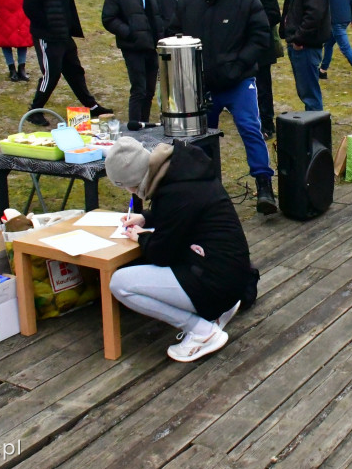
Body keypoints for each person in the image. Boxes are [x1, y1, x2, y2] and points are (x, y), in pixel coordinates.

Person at [105, 137, 254, 362]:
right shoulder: (183, 173)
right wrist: (146, 218)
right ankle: (219, 309)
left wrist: (141, 238)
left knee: (120, 283)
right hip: (230, 271)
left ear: (133, 182)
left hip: (216, 280)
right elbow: (183, 215)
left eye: (127, 187)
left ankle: (202, 332)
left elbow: (161, 254)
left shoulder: (175, 194)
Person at [168, 0, 277, 213]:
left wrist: (239, 65)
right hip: (201, 85)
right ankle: (207, 192)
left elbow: (261, 34)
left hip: (239, 81)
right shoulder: (187, 1)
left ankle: (264, 186)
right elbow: (173, 34)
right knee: (200, 139)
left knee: (251, 128)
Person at [24, 0, 112, 126]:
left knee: (75, 71)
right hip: (47, 36)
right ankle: (35, 110)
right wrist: (48, 25)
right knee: (52, 73)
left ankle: (91, 106)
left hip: (64, 35)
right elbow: (29, 7)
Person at [102, 0, 159, 125]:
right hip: (132, 47)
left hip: (151, 46)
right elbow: (108, 19)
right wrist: (129, 32)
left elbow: (159, 16)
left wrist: (160, 36)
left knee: (150, 90)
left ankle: (145, 123)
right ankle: (134, 125)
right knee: (139, 89)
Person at [235, 0, 282, 140]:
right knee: (247, 87)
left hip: (261, 44)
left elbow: (274, 14)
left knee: (263, 87)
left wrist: (255, 26)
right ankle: (253, 122)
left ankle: (267, 125)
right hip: (245, 44)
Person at [281, 0, 331, 111]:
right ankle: (312, 130)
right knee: (306, 92)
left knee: (310, 95)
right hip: (301, 45)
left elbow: (314, 15)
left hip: (305, 47)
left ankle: (316, 133)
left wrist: (298, 39)